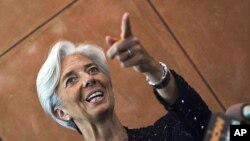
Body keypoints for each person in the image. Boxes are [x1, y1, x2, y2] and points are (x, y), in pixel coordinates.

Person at [36, 13, 211, 141]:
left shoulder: (168, 133)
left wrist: (154, 70)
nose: (89, 79)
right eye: (71, 80)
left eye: (93, 70)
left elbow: (215, 131)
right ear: (61, 112)